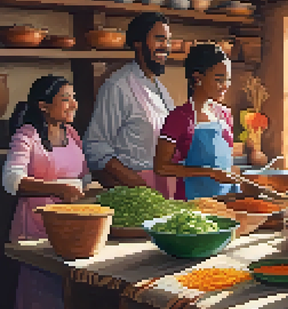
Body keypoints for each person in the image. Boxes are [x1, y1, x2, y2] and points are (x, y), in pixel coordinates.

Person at [2, 75, 91, 309]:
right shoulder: (27, 135)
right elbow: (12, 181)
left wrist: (88, 188)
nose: (74, 104)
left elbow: (83, 177)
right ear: (43, 105)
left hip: (70, 229)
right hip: (35, 230)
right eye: (65, 99)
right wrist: (58, 188)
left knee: (68, 297)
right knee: (41, 296)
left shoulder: (72, 134)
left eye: (74, 98)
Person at [83, 12, 176, 198]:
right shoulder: (117, 86)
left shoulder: (161, 89)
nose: (165, 46)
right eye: (159, 39)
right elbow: (95, 146)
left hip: (164, 186)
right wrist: (137, 185)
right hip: (133, 190)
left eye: (168, 40)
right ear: (138, 42)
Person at [154, 44, 240, 200]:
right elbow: (161, 167)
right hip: (192, 204)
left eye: (227, 79)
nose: (225, 86)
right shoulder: (179, 117)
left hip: (225, 201)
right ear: (197, 78)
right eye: (219, 79)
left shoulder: (225, 115)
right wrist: (209, 173)